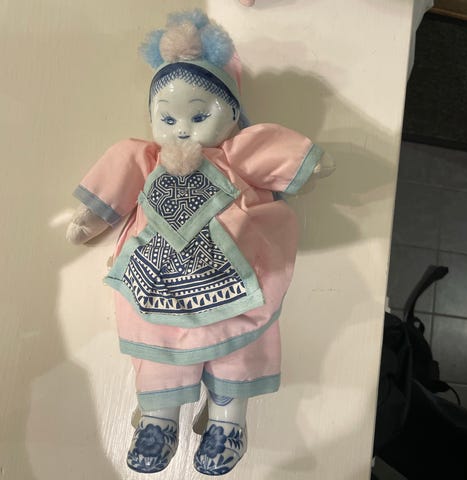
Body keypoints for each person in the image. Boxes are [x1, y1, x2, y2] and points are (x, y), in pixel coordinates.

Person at [67, 9, 334, 475]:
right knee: (155, 338)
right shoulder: (144, 157)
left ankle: (230, 419)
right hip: (156, 280)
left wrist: (310, 166)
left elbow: (280, 154)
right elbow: (114, 183)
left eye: (199, 114)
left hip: (231, 276)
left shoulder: (238, 153)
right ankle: (159, 419)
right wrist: (89, 219)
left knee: (237, 339)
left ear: (232, 114)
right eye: (167, 117)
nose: (182, 127)